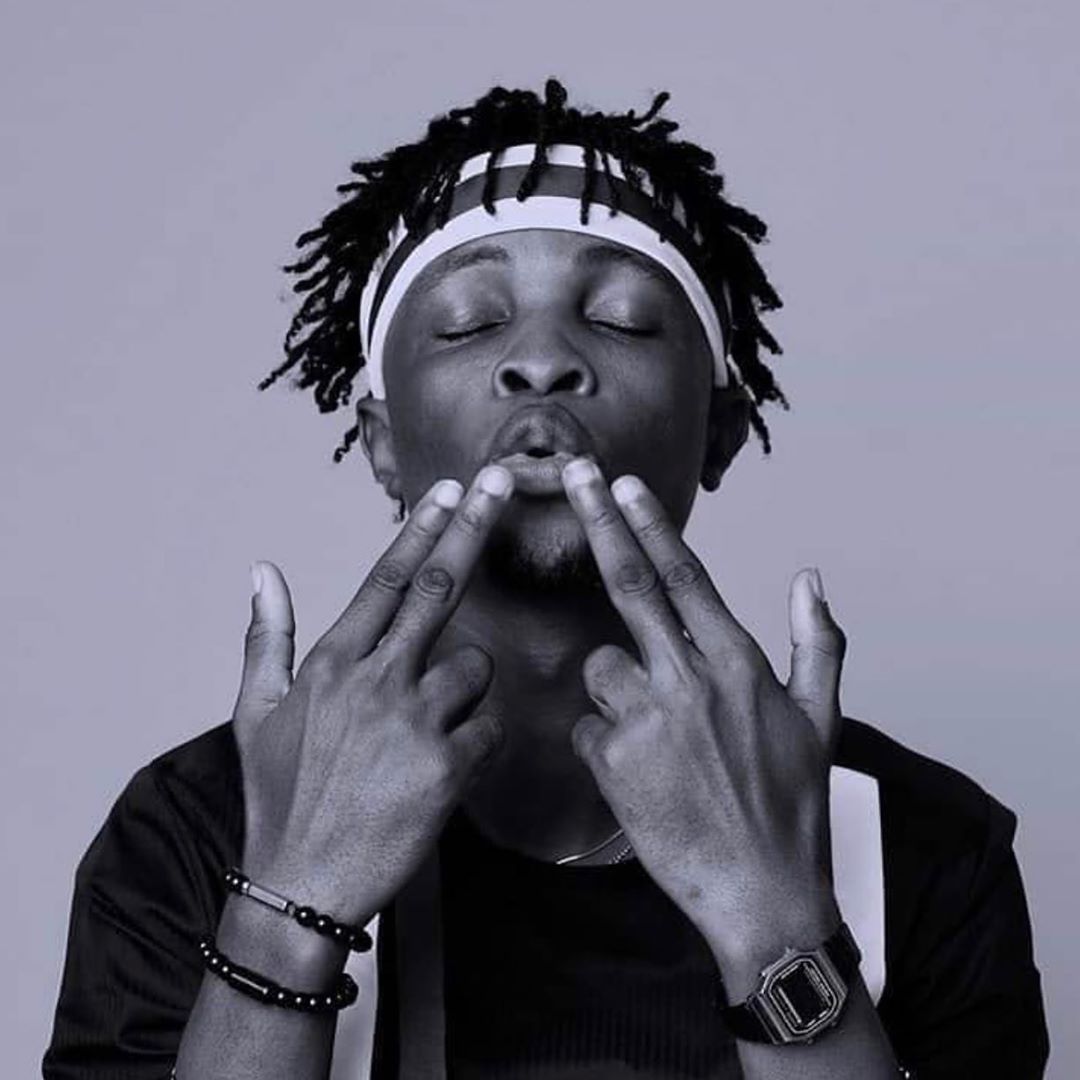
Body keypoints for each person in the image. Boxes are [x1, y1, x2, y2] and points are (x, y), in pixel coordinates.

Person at [43, 80, 1049, 1080]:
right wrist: (289, 900)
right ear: (382, 442)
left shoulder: (924, 843)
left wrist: (771, 915)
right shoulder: (196, 828)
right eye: (467, 323)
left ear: (720, 432)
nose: (541, 361)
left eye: (622, 319)